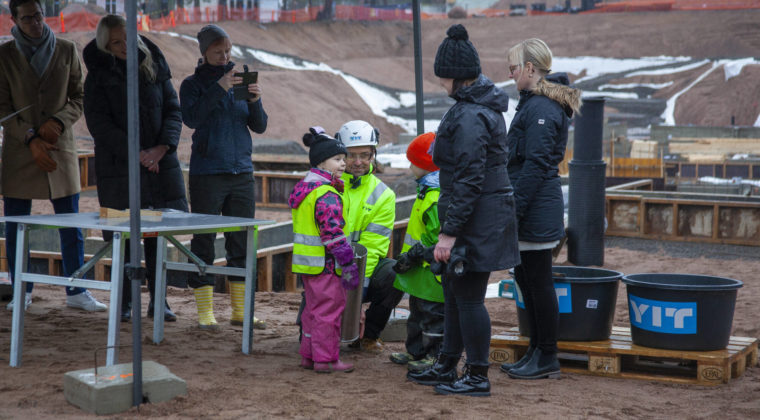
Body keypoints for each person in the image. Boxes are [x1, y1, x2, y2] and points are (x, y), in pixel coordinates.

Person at [407, 24, 520, 397]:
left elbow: (470, 178)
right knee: (456, 294)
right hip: (478, 215)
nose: (440, 83)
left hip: (477, 220)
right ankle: (447, 364)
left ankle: (476, 375)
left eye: (443, 77)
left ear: (455, 77)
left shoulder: (472, 116)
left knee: (468, 297)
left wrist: (449, 231)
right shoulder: (473, 108)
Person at [0, 0, 106, 312]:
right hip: (21, 151)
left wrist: (58, 122)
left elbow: (79, 96)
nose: (35, 22)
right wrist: (30, 137)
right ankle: (22, 289)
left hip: (60, 145)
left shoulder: (67, 49)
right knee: (17, 224)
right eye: (27, 17)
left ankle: (77, 290)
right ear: (14, 19)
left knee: (71, 222)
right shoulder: (4, 55)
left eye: (38, 15)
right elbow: (3, 107)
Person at [83, 14, 188, 322]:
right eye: (116, 42)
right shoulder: (97, 77)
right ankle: (126, 302)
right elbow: (99, 124)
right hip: (119, 168)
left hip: (158, 165)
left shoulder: (154, 67)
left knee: (157, 237)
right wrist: (137, 153)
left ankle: (160, 301)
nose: (125, 46)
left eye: (128, 38)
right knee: (123, 238)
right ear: (105, 44)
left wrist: (160, 149)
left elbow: (173, 109)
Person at [501, 38, 581, 380]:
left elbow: (534, 165)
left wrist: (514, 211)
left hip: (534, 209)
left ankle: (547, 354)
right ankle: (536, 349)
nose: (511, 75)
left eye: (514, 69)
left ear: (530, 70)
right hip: (531, 207)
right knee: (527, 280)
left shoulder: (542, 110)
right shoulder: (533, 104)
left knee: (538, 282)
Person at [180, 24, 268, 330]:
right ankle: (205, 312)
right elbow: (192, 118)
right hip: (207, 173)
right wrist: (220, 87)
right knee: (203, 241)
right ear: (204, 52)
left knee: (241, 242)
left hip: (242, 172)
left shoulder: (241, 79)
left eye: (228, 50)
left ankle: (240, 311)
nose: (224, 56)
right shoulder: (192, 84)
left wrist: (255, 100)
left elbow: (259, 127)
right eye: (218, 51)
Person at [289, 127, 360, 373]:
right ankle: (327, 359)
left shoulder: (305, 189)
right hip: (328, 265)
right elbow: (332, 232)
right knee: (329, 312)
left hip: (308, 264)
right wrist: (348, 261)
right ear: (322, 161)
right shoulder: (326, 193)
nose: (344, 164)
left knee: (312, 311)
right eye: (337, 159)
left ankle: (309, 355)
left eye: (343, 159)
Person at [335, 119, 402, 353]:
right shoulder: (325, 186)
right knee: (311, 335)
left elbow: (372, 248)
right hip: (327, 268)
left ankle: (369, 335)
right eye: (351, 156)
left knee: (395, 273)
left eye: (364, 155)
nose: (358, 162)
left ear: (374, 154)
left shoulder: (383, 195)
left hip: (361, 270)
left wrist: (356, 296)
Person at [389, 132, 445, 373]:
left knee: (433, 314)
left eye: (413, 162)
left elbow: (435, 236)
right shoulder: (426, 192)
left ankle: (434, 354)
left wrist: (414, 255)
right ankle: (415, 350)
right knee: (417, 312)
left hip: (430, 271)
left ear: (425, 164)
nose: (410, 167)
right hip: (419, 272)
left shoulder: (433, 197)